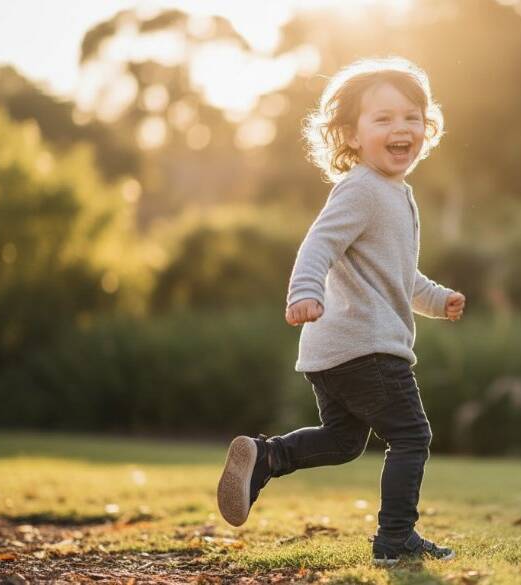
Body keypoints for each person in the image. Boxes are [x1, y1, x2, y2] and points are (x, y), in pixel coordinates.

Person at [216, 56, 466, 566]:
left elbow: (399, 275)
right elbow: (318, 245)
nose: (401, 128)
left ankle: (266, 457)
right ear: (351, 136)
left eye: (412, 117)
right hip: (368, 347)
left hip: (335, 351)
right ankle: (396, 539)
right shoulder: (363, 188)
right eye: (383, 119)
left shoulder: (395, 193)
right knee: (412, 436)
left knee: (342, 441)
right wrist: (303, 291)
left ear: (427, 127)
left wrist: (437, 299)